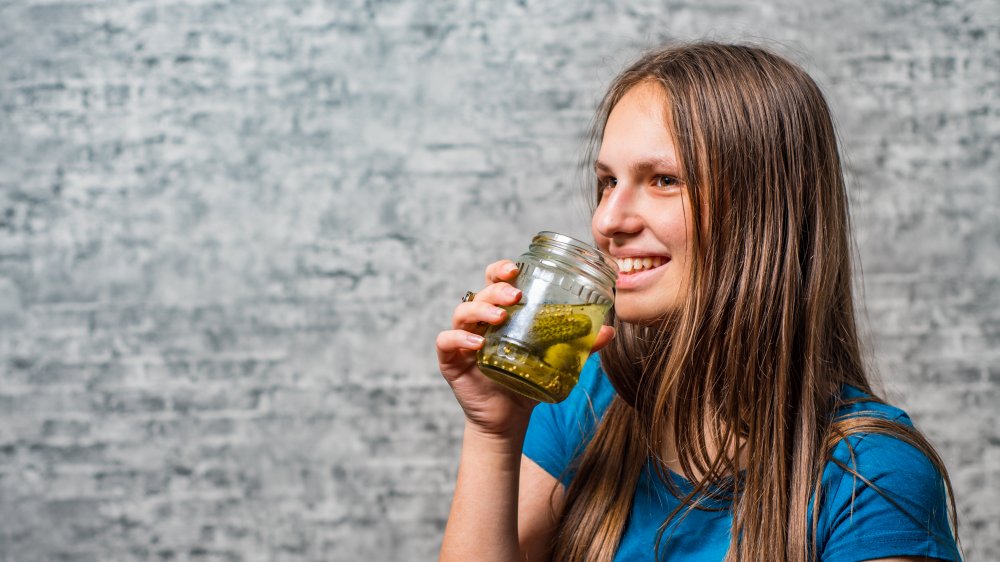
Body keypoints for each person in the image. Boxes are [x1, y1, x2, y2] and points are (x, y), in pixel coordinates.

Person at [435, 42, 962, 562]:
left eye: (663, 181)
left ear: (764, 215)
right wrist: (493, 432)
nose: (607, 221)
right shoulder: (583, 401)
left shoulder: (870, 474)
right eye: (607, 182)